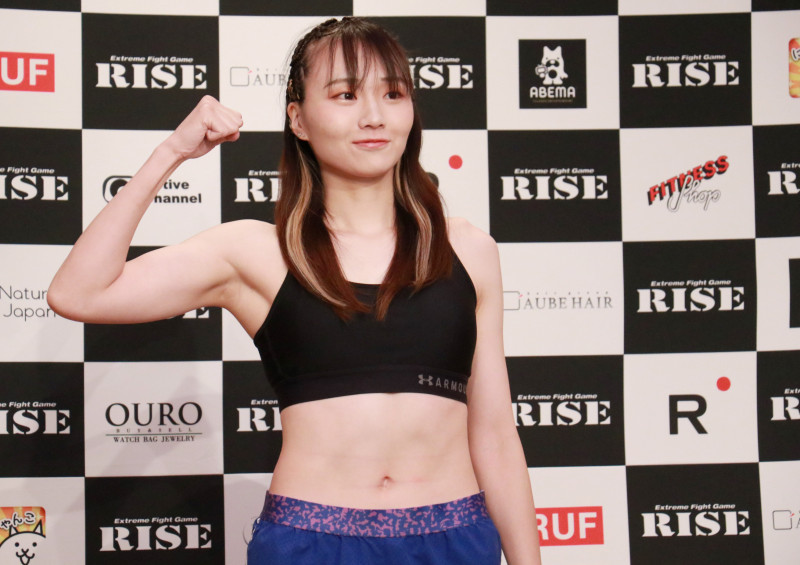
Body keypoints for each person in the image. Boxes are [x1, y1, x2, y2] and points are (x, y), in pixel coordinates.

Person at [48, 16, 542, 565]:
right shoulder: (256, 251)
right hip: (311, 542)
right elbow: (79, 294)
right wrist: (171, 152)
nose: (374, 115)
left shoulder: (467, 249)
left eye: (392, 93)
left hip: (454, 539)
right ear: (298, 119)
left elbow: (495, 435)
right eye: (346, 95)